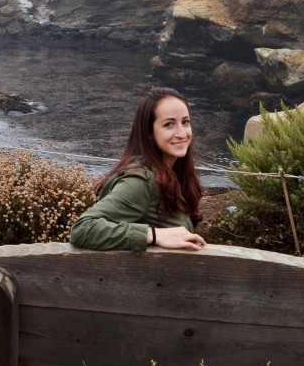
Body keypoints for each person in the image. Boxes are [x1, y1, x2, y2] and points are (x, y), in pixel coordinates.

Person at [69, 87, 206, 254]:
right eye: (169, 124)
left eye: (185, 122)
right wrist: (153, 235)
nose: (181, 133)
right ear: (149, 132)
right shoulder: (141, 180)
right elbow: (83, 228)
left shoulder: (173, 171)